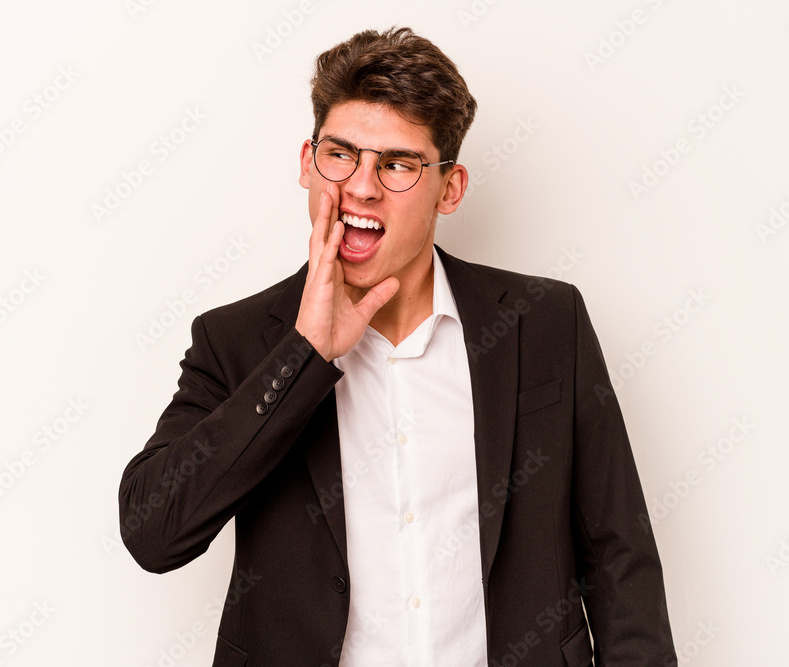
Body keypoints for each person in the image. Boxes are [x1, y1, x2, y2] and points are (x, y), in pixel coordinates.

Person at [119, 27, 676, 667]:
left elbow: (619, 555)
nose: (361, 187)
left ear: (451, 187)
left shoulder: (547, 323)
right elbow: (152, 533)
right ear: (307, 162)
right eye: (341, 154)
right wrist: (304, 355)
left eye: (398, 163)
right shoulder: (236, 341)